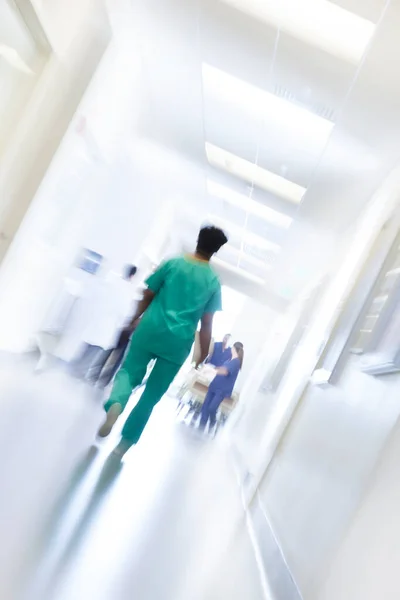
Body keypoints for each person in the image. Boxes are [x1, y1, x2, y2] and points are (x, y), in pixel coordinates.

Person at [98, 225, 228, 457]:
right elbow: (206, 324)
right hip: (178, 343)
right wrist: (202, 355)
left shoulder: (173, 263)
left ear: (198, 240)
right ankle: (124, 443)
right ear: (216, 250)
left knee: (128, 372)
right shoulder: (212, 282)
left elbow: (148, 294)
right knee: (153, 393)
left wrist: (134, 318)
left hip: (150, 329)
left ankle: (116, 403)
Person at [71, 264, 137, 383]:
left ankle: (76, 368)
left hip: (99, 320)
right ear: (133, 276)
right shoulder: (128, 291)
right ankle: (79, 372)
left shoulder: (112, 282)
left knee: (88, 346)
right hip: (109, 324)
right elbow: (125, 312)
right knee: (95, 349)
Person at [199, 341, 244, 433]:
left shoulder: (236, 362)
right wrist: (210, 368)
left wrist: (212, 371)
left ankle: (212, 422)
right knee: (205, 407)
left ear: (234, 349)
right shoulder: (229, 360)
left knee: (212, 408)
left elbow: (225, 371)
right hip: (214, 385)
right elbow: (221, 368)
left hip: (221, 390)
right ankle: (201, 428)